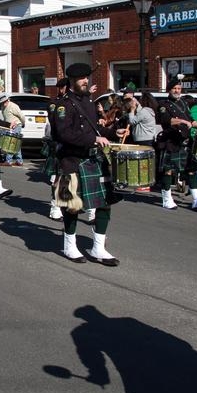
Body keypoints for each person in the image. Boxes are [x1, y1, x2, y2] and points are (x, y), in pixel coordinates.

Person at [53, 63, 126, 266]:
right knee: (73, 207)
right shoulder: (63, 105)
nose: (86, 81)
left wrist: (112, 133)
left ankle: (98, 248)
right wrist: (94, 140)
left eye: (87, 77)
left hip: (93, 160)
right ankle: (69, 246)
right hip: (72, 161)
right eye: (81, 79)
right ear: (71, 81)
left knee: (105, 203)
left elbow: (94, 130)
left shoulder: (88, 102)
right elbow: (63, 134)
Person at [155, 78, 197, 210]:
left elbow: (191, 121)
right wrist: (181, 121)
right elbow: (165, 120)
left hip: (185, 143)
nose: (177, 91)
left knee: (192, 170)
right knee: (168, 171)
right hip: (171, 142)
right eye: (174, 88)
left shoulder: (183, 103)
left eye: (179, 89)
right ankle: (167, 199)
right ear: (169, 90)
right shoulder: (163, 104)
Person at [44, 77, 70, 220]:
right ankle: (55, 207)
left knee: (70, 178)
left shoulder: (74, 102)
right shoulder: (54, 103)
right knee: (57, 178)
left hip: (72, 145)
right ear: (62, 89)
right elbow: (56, 120)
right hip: (58, 143)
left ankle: (66, 203)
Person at [0, 95, 25, 166]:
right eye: (2, 102)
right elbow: (5, 117)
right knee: (15, 143)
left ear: (7, 100)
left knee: (11, 143)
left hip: (16, 125)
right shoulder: (3, 107)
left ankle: (8, 160)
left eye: (4, 102)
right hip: (8, 126)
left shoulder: (13, 106)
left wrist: (23, 123)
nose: (3, 104)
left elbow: (21, 116)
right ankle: (19, 160)